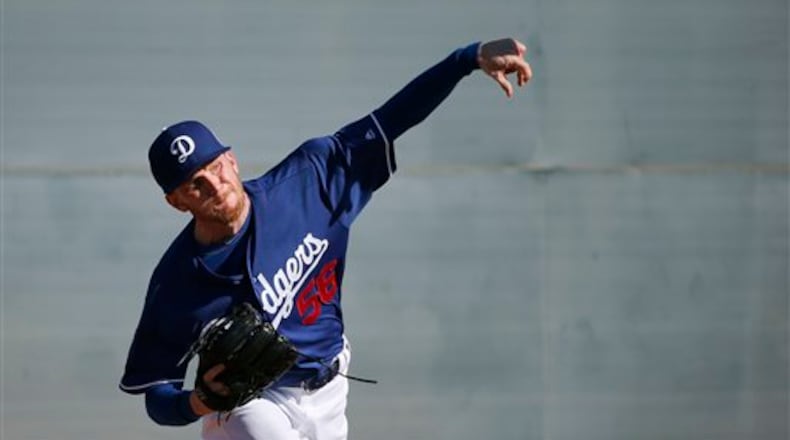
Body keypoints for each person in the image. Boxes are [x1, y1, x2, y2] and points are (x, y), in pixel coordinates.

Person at [119, 37, 532, 440]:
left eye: (214, 165)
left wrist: (466, 60)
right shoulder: (176, 281)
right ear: (176, 202)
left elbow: (391, 120)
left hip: (331, 386)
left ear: (231, 158)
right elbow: (156, 395)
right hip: (252, 406)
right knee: (255, 427)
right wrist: (199, 402)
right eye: (194, 182)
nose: (213, 182)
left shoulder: (309, 180)